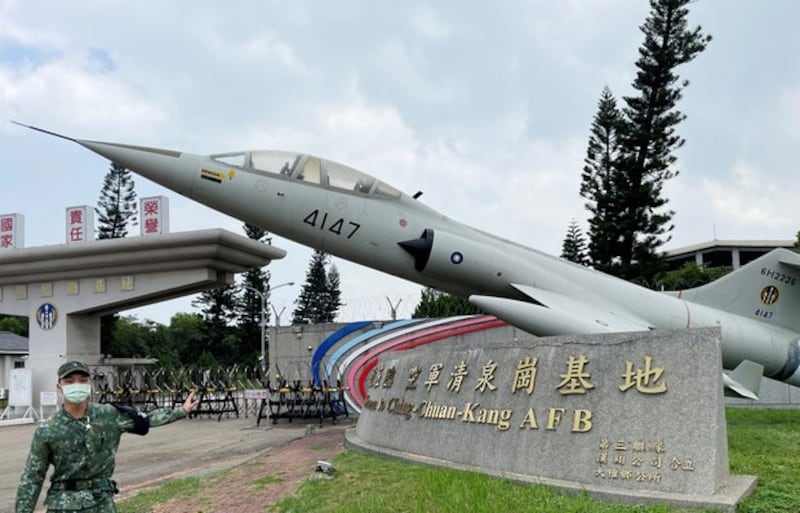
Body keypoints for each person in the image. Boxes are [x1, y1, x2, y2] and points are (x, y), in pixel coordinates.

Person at [15, 361, 199, 513]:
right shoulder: (48, 430)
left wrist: (181, 411)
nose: (76, 385)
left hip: (101, 502)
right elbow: (32, 476)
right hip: (63, 505)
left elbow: (146, 420)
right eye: (69, 381)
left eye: (82, 380)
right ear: (59, 387)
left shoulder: (110, 415)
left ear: (89, 384)